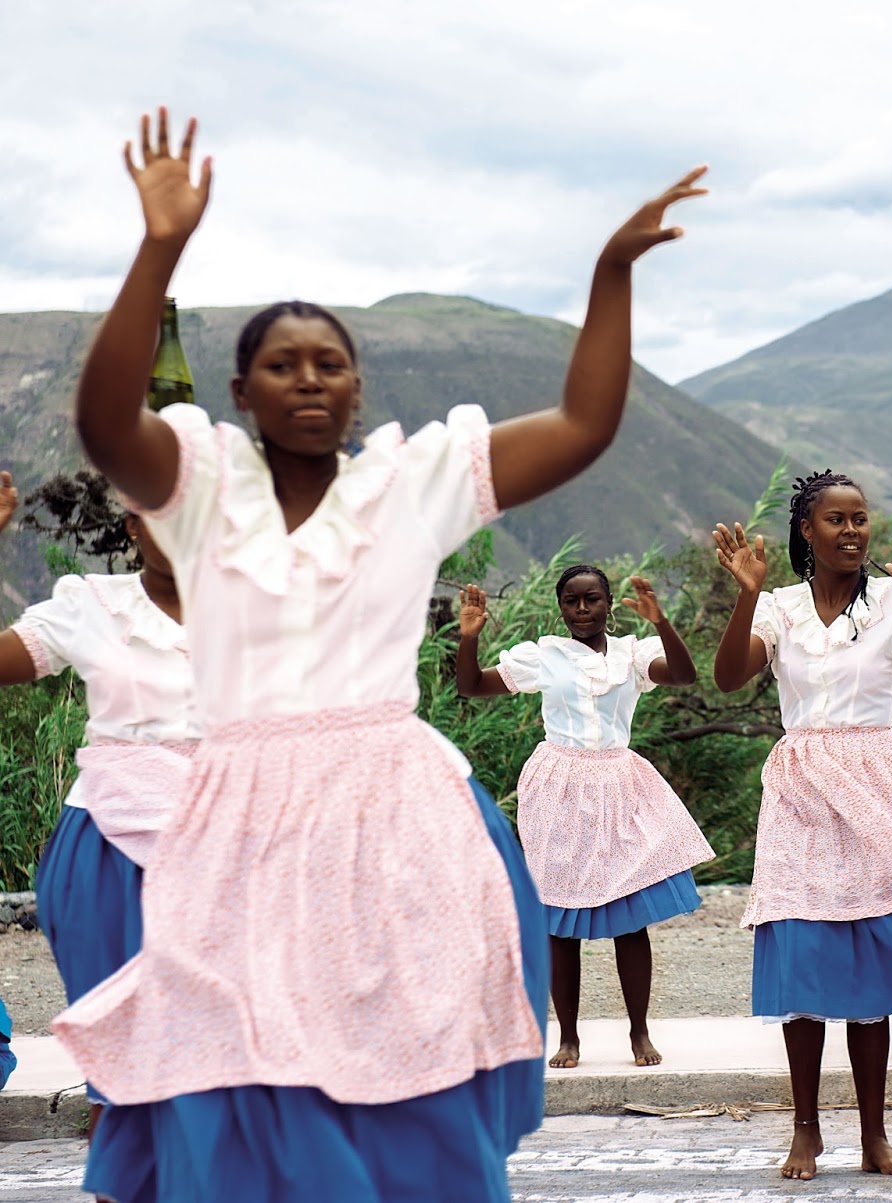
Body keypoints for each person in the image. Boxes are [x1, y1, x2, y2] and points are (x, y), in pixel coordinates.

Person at [53, 107, 705, 1203]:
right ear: (242, 390)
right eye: (281, 364)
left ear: (357, 390)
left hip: (389, 809)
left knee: (399, 1053)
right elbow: (105, 421)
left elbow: (585, 424)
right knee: (243, 1054)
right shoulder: (200, 487)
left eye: (330, 364)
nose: (308, 380)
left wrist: (609, 276)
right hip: (240, 812)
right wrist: (160, 244)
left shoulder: (411, 486)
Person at [711, 470, 892, 1181]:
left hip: (875, 788)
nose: (854, 531)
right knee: (802, 957)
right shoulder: (778, 606)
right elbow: (730, 676)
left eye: (861, 518)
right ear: (808, 529)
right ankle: (805, 1130)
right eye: (837, 519)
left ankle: (872, 1134)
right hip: (801, 790)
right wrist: (744, 596)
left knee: (868, 967)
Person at [0, 479, 195, 1158]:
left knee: (234, 1081)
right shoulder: (94, 604)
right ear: (133, 521)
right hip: (109, 852)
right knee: (127, 1082)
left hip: (228, 855)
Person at [455, 568, 713, 1070]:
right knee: (560, 921)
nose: (581, 609)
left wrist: (661, 622)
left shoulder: (632, 655)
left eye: (592, 599)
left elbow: (683, 675)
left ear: (609, 603)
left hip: (619, 783)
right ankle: (568, 1037)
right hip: (559, 787)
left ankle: (639, 1032)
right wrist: (469, 637)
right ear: (561, 607)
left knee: (630, 915)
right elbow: (471, 686)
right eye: (571, 601)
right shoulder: (544, 656)